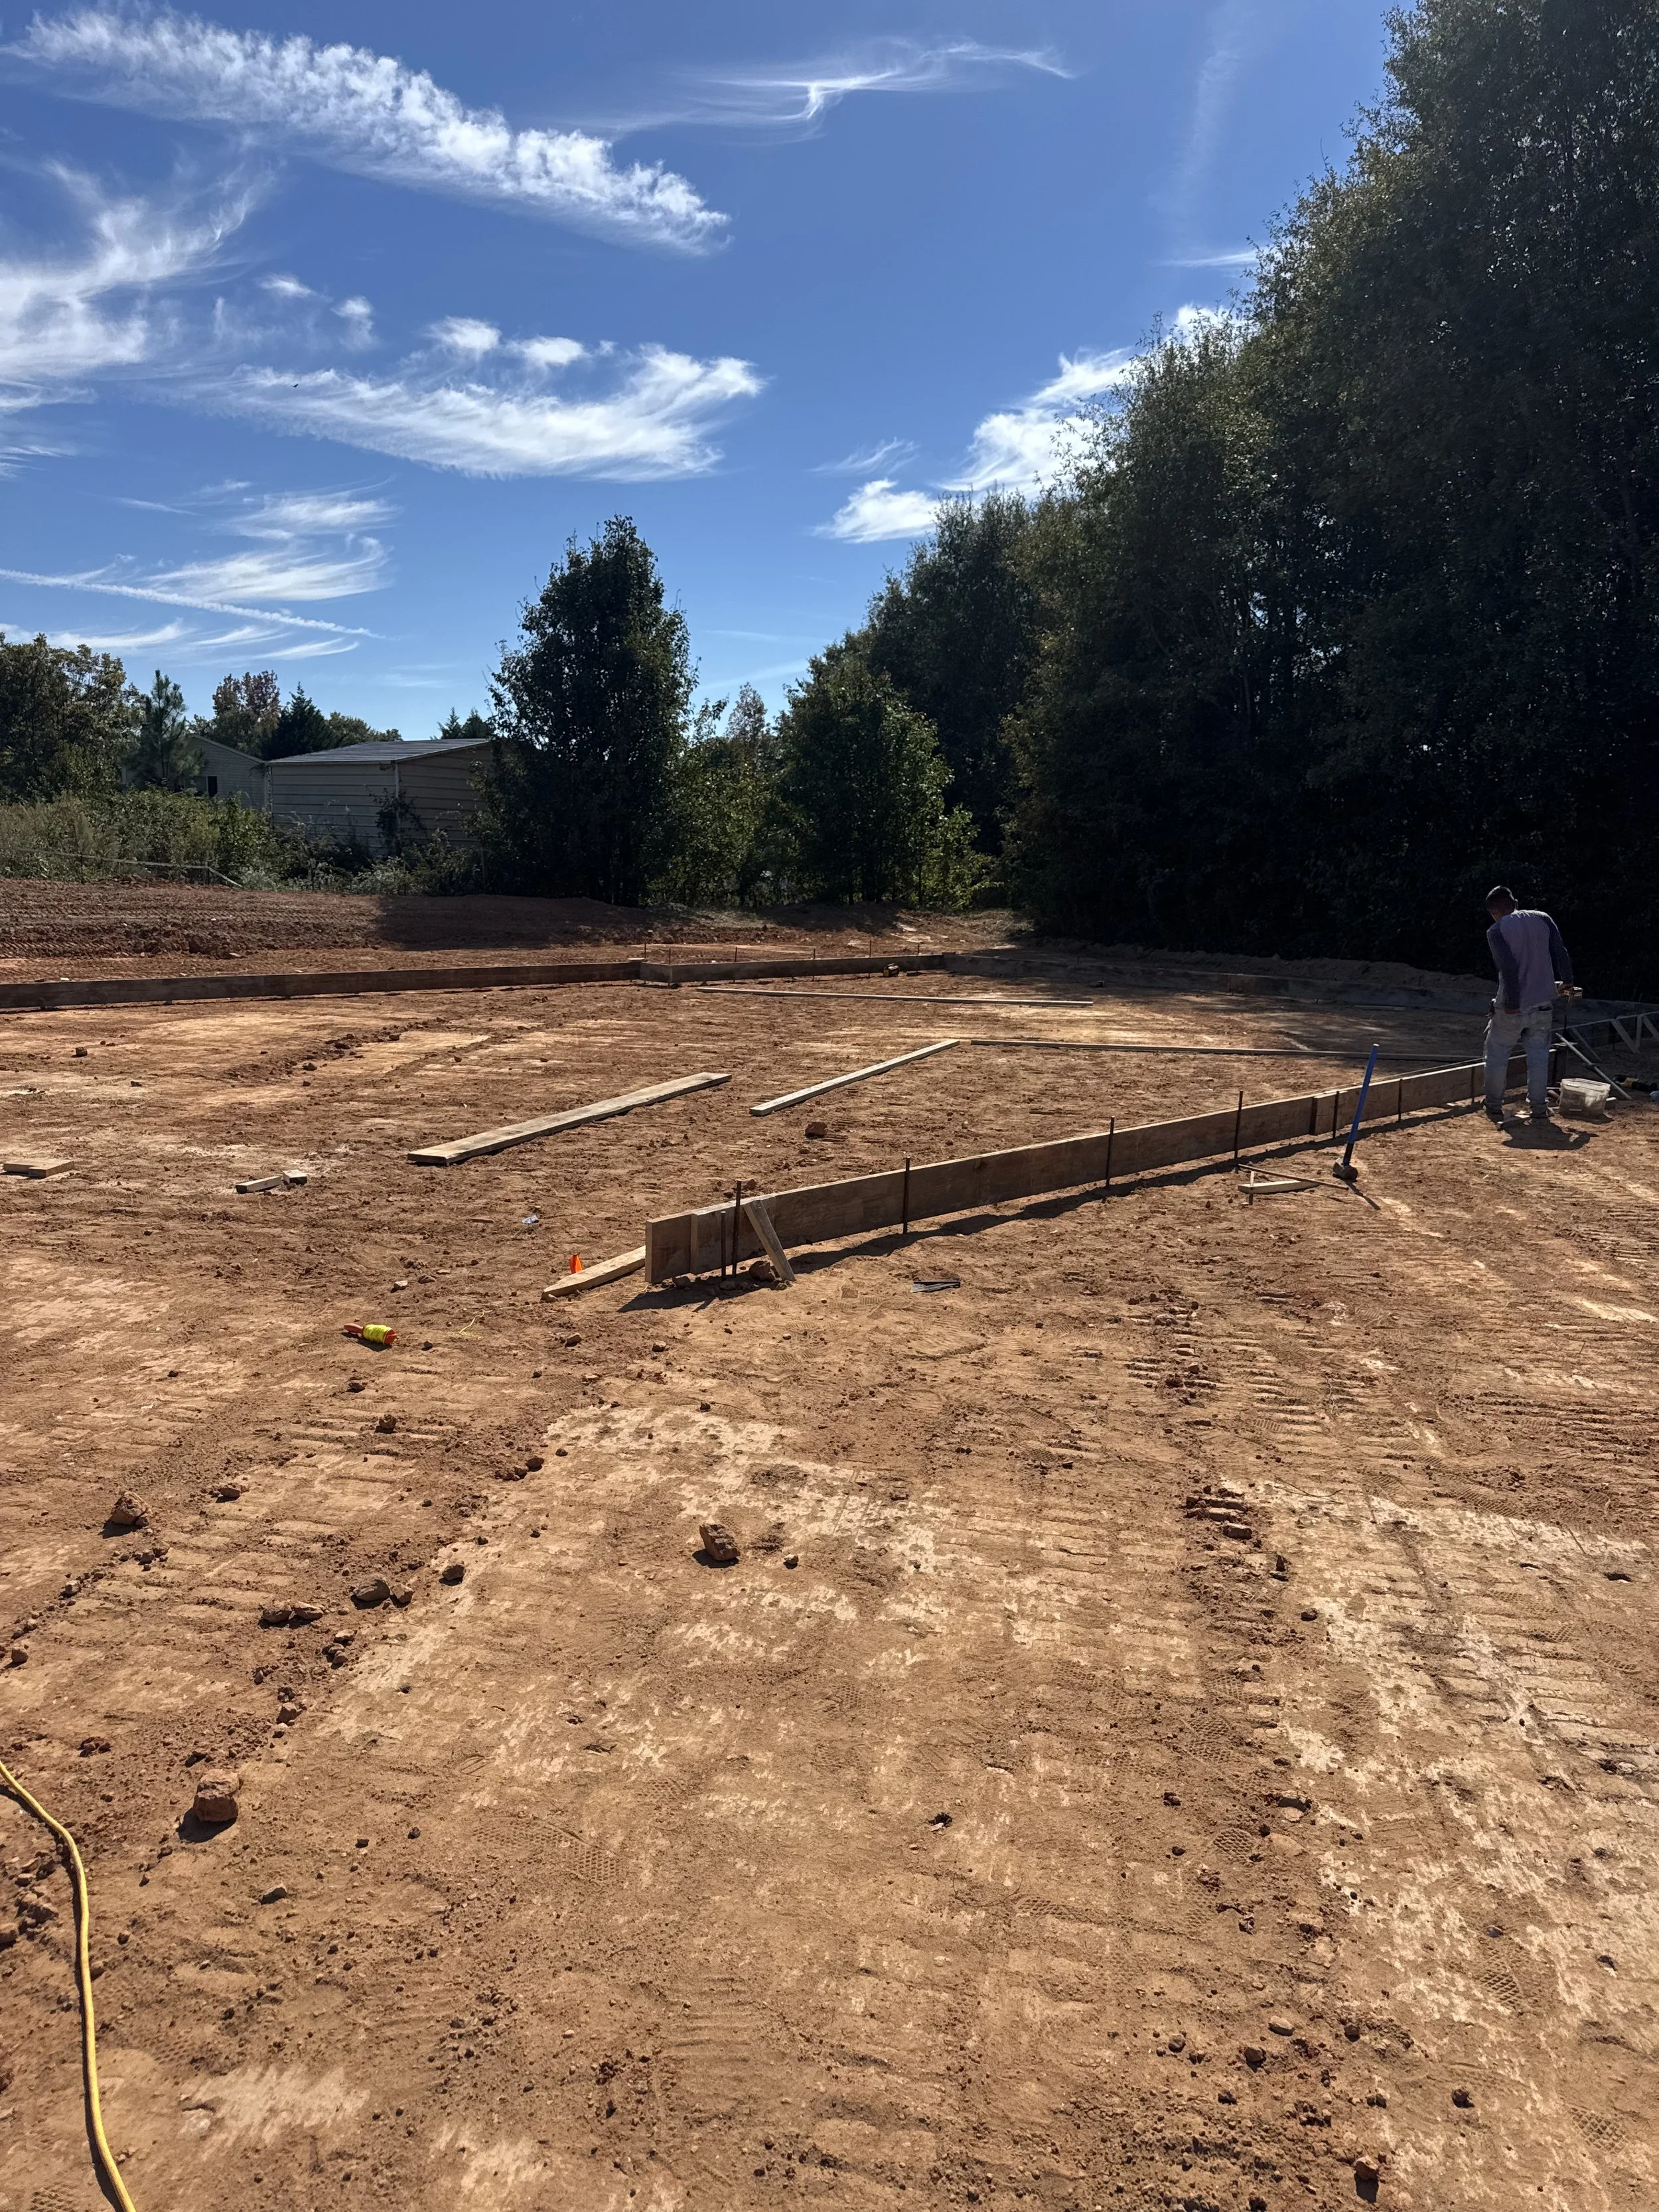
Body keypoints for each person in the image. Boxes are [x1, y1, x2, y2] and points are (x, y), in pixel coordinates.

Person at [1482, 886, 1577, 1126]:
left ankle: (1494, 1106)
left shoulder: (1496, 931)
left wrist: (1513, 1003)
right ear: (1516, 902)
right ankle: (1538, 1107)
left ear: (1494, 912)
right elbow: (1560, 952)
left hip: (1511, 1006)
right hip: (1543, 1003)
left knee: (1497, 1054)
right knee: (1538, 1057)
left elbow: (1509, 969)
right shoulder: (1542, 918)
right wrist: (1568, 982)